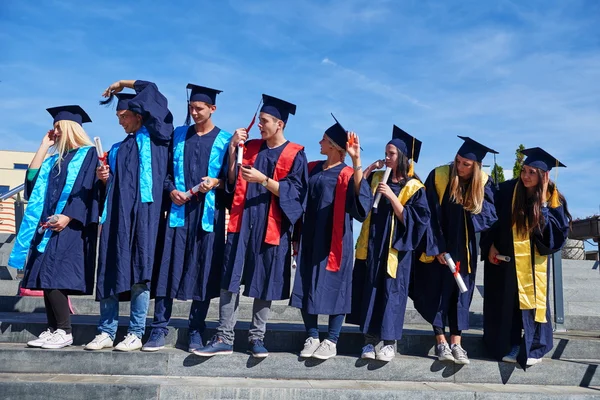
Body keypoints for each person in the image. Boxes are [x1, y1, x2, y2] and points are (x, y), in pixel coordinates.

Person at [195, 94, 308, 358]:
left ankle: (257, 337)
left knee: (264, 280)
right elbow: (231, 182)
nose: (259, 125)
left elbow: (297, 196)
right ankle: (224, 335)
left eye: (265, 121)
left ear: (279, 124)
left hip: (272, 226)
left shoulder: (295, 154)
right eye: (259, 120)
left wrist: (264, 179)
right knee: (230, 277)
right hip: (242, 223)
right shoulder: (252, 147)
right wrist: (234, 150)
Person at [142, 84, 232, 352]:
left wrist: (216, 181)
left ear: (212, 108)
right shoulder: (178, 135)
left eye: (199, 108)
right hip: (178, 214)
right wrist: (171, 191)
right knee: (167, 268)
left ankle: (196, 329)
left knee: (203, 271)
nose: (193, 112)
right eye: (191, 107)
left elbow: (232, 179)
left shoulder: (225, 140)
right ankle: (159, 328)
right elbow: (165, 173)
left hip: (208, 216)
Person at [85, 80, 174, 352]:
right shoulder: (117, 149)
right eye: (117, 117)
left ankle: (135, 332)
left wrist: (123, 84)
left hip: (145, 218)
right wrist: (103, 179)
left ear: (138, 115)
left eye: (123, 116)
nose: (120, 122)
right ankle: (106, 331)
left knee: (140, 273)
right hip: (117, 219)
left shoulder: (158, 140)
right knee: (110, 270)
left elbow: (153, 92)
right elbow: (109, 188)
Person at [8, 106, 99, 349]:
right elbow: (31, 182)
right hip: (47, 226)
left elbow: (89, 191)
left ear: (70, 129)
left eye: (58, 128)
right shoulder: (52, 160)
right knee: (46, 278)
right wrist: (43, 146)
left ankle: (64, 331)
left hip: (70, 226)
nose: (55, 132)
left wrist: (68, 216)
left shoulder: (88, 155)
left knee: (56, 277)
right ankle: (53, 329)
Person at [290, 115, 371, 360]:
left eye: (324, 140)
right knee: (306, 282)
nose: (319, 142)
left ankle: (332, 340)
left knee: (337, 286)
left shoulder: (347, 173)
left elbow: (361, 201)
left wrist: (357, 160)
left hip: (336, 240)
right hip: (311, 235)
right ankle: (312, 335)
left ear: (335, 147)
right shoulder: (312, 167)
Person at [347, 126, 430, 362]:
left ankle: (390, 343)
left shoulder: (415, 187)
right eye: (386, 153)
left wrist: (392, 197)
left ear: (402, 157)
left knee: (392, 293)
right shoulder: (375, 178)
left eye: (391, 154)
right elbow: (360, 201)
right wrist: (368, 169)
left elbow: (416, 222)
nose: (387, 158)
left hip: (396, 249)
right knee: (371, 289)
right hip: (373, 245)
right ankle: (369, 341)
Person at [412, 136, 498, 365]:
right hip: (439, 247)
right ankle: (441, 341)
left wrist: (474, 204)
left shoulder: (484, 182)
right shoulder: (439, 176)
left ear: (476, 167)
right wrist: (437, 248)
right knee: (438, 293)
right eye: (458, 161)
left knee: (461, 296)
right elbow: (428, 213)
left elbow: (489, 216)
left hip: (465, 251)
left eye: (466, 165)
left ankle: (457, 343)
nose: (459, 167)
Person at [483, 147, 570, 368]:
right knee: (508, 302)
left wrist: (542, 205)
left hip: (534, 262)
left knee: (533, 304)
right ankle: (509, 345)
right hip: (507, 259)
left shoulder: (552, 198)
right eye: (525, 170)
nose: (526, 176)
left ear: (544, 176)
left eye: (532, 172)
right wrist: (490, 244)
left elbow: (557, 234)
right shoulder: (509, 190)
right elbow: (491, 217)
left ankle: (535, 346)